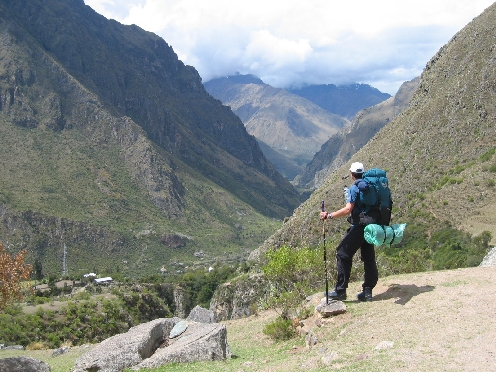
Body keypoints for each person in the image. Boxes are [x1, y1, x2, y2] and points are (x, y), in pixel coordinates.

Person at [320, 162, 378, 302]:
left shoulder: (354, 188)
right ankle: (368, 292)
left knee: (342, 253)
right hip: (371, 227)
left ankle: (341, 291)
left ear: (352, 174)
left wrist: (329, 216)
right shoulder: (370, 187)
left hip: (359, 227)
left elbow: (348, 210)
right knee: (368, 257)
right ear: (362, 173)